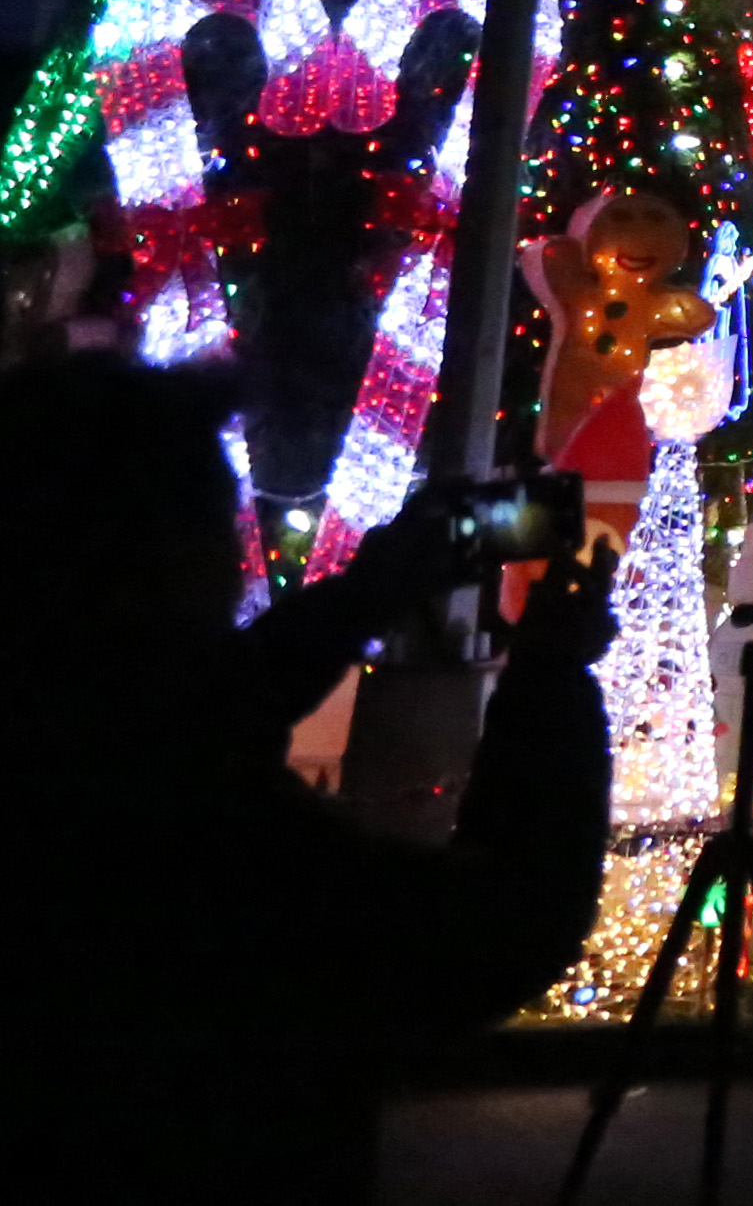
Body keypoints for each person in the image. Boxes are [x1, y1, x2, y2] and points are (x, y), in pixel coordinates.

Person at [0, 350, 615, 1203]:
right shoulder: (197, 838)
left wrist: (371, 590)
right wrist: (548, 679)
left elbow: (210, 703)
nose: (237, 561)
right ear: (154, 560)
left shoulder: (79, 740)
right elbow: (498, 929)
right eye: (218, 526)